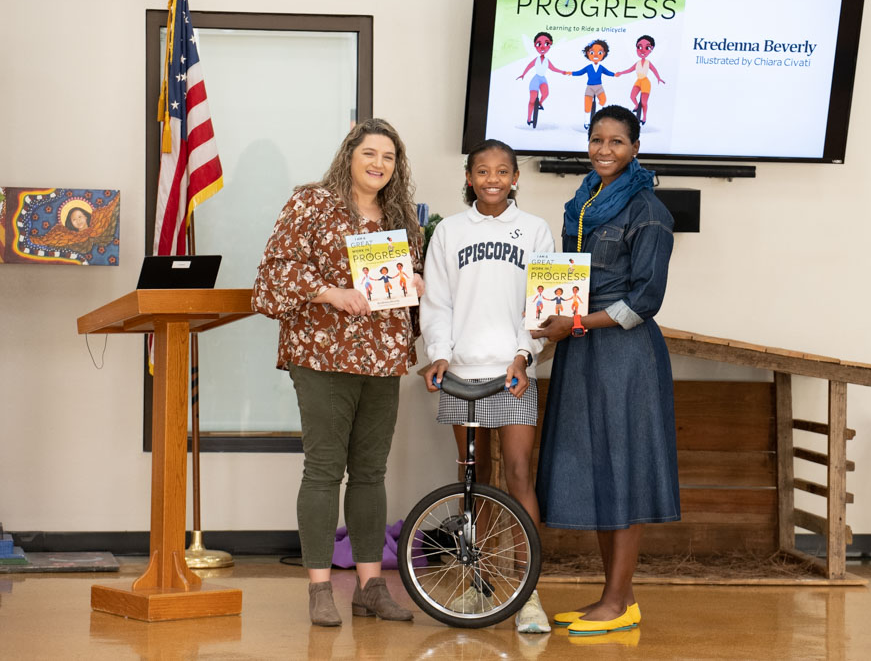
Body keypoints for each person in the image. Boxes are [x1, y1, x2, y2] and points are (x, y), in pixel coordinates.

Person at [252, 118, 424, 627]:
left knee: (371, 472)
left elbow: (401, 286)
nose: (379, 165)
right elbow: (276, 270)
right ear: (349, 155)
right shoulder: (310, 203)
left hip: (383, 357)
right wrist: (331, 293)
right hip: (322, 356)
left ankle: (371, 586)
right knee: (324, 470)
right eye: (369, 153)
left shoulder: (401, 218)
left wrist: (414, 278)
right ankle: (321, 587)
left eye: (389, 157)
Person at [531, 105, 679, 636]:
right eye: (597, 140)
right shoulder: (581, 204)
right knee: (597, 469)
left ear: (635, 148)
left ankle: (615, 602)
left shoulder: (649, 210)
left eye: (617, 142)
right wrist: (560, 321)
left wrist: (577, 321)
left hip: (625, 355)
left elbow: (645, 301)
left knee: (625, 471)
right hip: (582, 346)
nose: (605, 150)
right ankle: (620, 598)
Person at [420, 138, 555, 634]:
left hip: (513, 371)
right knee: (470, 476)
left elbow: (541, 304)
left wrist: (523, 354)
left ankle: (529, 592)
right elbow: (436, 303)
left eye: (503, 170)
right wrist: (438, 355)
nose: (493, 178)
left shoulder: (536, 230)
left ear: (515, 177)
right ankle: (475, 583)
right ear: (469, 177)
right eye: (483, 171)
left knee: (519, 475)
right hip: (460, 372)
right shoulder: (450, 232)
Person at [516, 31, 568, 126]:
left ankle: (540, 103)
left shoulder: (547, 61)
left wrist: (562, 72)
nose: (543, 47)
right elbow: (529, 66)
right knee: (532, 99)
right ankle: (529, 118)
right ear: (535, 46)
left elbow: (553, 69)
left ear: (550, 45)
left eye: (546, 43)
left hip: (543, 79)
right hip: (535, 80)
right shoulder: (536, 60)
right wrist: (523, 74)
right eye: (539, 44)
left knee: (545, 93)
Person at [614, 35, 665, 125]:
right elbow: (629, 70)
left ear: (651, 49)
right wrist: (621, 73)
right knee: (632, 96)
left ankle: (644, 117)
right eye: (639, 47)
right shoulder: (637, 63)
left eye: (647, 47)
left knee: (644, 102)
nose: (642, 50)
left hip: (645, 82)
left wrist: (658, 78)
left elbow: (654, 70)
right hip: (638, 81)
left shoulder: (648, 63)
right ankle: (637, 105)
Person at [566, 39, 615, 129]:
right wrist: (571, 73)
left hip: (599, 87)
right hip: (590, 87)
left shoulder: (601, 67)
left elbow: (608, 72)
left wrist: (615, 74)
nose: (596, 55)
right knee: (587, 105)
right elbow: (580, 72)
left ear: (604, 54)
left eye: (600, 52)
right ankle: (586, 122)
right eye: (592, 52)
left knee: (603, 101)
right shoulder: (588, 67)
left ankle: (600, 118)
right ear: (587, 53)